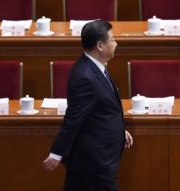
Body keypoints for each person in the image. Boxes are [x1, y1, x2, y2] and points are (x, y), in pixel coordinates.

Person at [42, 19, 133, 191]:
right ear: (100, 45)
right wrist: (56, 153)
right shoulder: (85, 76)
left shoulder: (96, 67)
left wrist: (120, 129)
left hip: (100, 158)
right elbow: (73, 118)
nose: (116, 43)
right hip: (94, 161)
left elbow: (103, 108)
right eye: (112, 40)